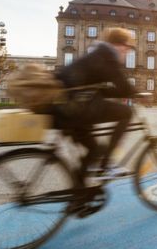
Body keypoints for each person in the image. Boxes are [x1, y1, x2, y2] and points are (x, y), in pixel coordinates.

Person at [54, 27, 137, 185]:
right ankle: (106, 165)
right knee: (126, 112)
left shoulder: (98, 53)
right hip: (76, 108)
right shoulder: (107, 56)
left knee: (94, 151)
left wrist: (123, 92)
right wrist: (137, 92)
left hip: (66, 108)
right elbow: (123, 87)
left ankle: (78, 198)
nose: (126, 53)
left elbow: (102, 90)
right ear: (120, 45)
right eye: (127, 49)